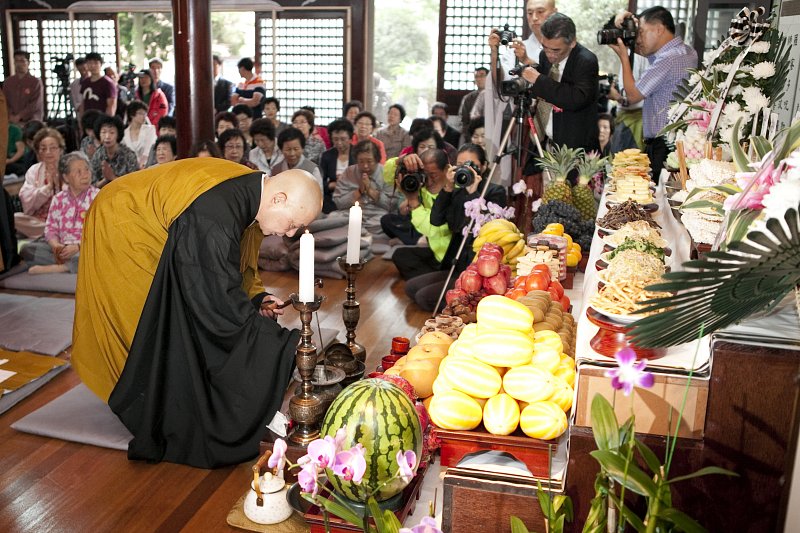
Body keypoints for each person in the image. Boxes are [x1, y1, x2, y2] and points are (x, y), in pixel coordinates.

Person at [71, 160, 323, 468]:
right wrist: (279, 346)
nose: (290, 234)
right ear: (278, 199)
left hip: (157, 220)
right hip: (124, 223)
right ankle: (148, 401)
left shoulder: (251, 195)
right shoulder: (215, 214)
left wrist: (257, 297)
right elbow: (215, 300)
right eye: (293, 224)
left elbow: (233, 261)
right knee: (148, 320)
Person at [404, 143, 507, 311]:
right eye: (460, 165)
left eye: (471, 165)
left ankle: (472, 305)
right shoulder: (456, 191)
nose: (465, 169)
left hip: (477, 267)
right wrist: (448, 187)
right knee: (411, 288)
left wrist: (474, 194)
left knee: (424, 298)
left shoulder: (495, 191)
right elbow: (436, 220)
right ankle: (459, 294)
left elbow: (480, 228)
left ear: (484, 166)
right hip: (456, 262)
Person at [607, 6, 697, 181]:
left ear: (659, 29)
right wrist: (625, 28)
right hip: (673, 141)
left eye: (641, 32)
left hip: (662, 144)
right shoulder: (686, 52)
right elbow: (645, 51)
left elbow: (633, 96)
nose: (638, 38)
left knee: (657, 196)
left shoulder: (668, 58)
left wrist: (624, 57)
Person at [518, 13, 599, 153]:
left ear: (572, 42)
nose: (550, 54)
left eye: (556, 50)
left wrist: (538, 79)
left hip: (574, 147)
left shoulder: (586, 61)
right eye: (545, 47)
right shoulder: (544, 56)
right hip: (547, 142)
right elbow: (547, 87)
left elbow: (576, 98)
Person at [21, 151, 99, 274]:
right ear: (66, 177)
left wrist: (78, 246)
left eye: (87, 170)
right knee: (27, 249)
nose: (85, 175)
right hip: (62, 247)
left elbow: (100, 232)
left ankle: (64, 267)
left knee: (99, 254)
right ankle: (71, 265)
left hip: (85, 247)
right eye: (79, 172)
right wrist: (56, 246)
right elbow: (50, 228)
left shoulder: (98, 197)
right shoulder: (58, 199)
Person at [384, 149, 452, 278]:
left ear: (447, 169)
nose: (429, 182)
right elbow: (387, 176)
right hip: (434, 250)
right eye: (425, 175)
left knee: (416, 290)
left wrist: (413, 202)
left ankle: (438, 280)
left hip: (451, 256)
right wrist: (401, 160)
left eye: (433, 175)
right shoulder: (421, 186)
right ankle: (434, 279)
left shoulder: (453, 191)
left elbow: (433, 229)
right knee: (399, 256)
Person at [333, 140, 399, 238]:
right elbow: (338, 202)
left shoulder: (386, 173)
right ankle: (362, 234)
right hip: (350, 214)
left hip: (377, 215)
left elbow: (392, 205)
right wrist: (359, 191)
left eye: (369, 161)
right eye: (361, 161)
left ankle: (359, 234)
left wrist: (371, 191)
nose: (365, 166)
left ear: (377, 159)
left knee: (387, 222)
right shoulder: (349, 172)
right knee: (333, 217)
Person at [15, 128, 65, 239]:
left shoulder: (69, 168)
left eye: (53, 148)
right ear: (38, 152)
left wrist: (61, 186)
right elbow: (26, 197)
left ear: (60, 150)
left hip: (65, 219)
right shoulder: (34, 170)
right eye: (43, 148)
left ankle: (52, 232)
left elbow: (77, 197)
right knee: (15, 218)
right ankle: (51, 231)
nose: (48, 152)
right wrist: (47, 188)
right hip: (39, 221)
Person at [91, 115, 139, 186]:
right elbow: (93, 186)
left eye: (112, 132)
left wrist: (112, 177)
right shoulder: (97, 155)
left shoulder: (129, 155)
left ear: (118, 135)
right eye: (104, 132)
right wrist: (106, 180)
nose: (107, 137)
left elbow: (134, 184)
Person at [319, 119, 355, 214]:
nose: (339, 143)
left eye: (343, 139)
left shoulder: (357, 154)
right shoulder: (327, 156)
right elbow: (320, 180)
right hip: (332, 196)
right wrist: (331, 185)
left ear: (350, 138)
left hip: (354, 195)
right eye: (335, 139)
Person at [271, 127, 323, 192]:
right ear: (281, 150)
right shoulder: (276, 170)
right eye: (288, 149)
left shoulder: (312, 170)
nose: (292, 153)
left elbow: (319, 195)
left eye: (296, 149)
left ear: (302, 148)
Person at [4, 50, 44, 125]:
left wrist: (19, 116)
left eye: (22, 61)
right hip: (10, 120)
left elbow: (34, 104)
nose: (19, 64)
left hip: (31, 121)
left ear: (28, 63)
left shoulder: (35, 82)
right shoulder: (8, 82)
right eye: (16, 61)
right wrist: (10, 115)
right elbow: (5, 102)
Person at [80, 52, 117, 117]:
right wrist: (81, 120)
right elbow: (83, 103)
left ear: (101, 64)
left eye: (95, 63)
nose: (93, 66)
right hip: (87, 121)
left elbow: (111, 105)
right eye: (90, 63)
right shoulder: (85, 82)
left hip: (101, 121)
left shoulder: (107, 83)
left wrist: (106, 122)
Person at [122, 101, 157, 169]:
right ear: (132, 114)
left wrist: (142, 164)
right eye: (141, 113)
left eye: (145, 113)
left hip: (148, 166)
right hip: (129, 168)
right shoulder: (124, 134)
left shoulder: (150, 130)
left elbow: (148, 150)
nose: (144, 116)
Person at [458, 67, 488, 141]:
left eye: (482, 76)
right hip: (472, 136)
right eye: (476, 77)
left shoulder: (496, 96)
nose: (478, 79)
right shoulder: (468, 98)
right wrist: (470, 137)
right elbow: (463, 121)